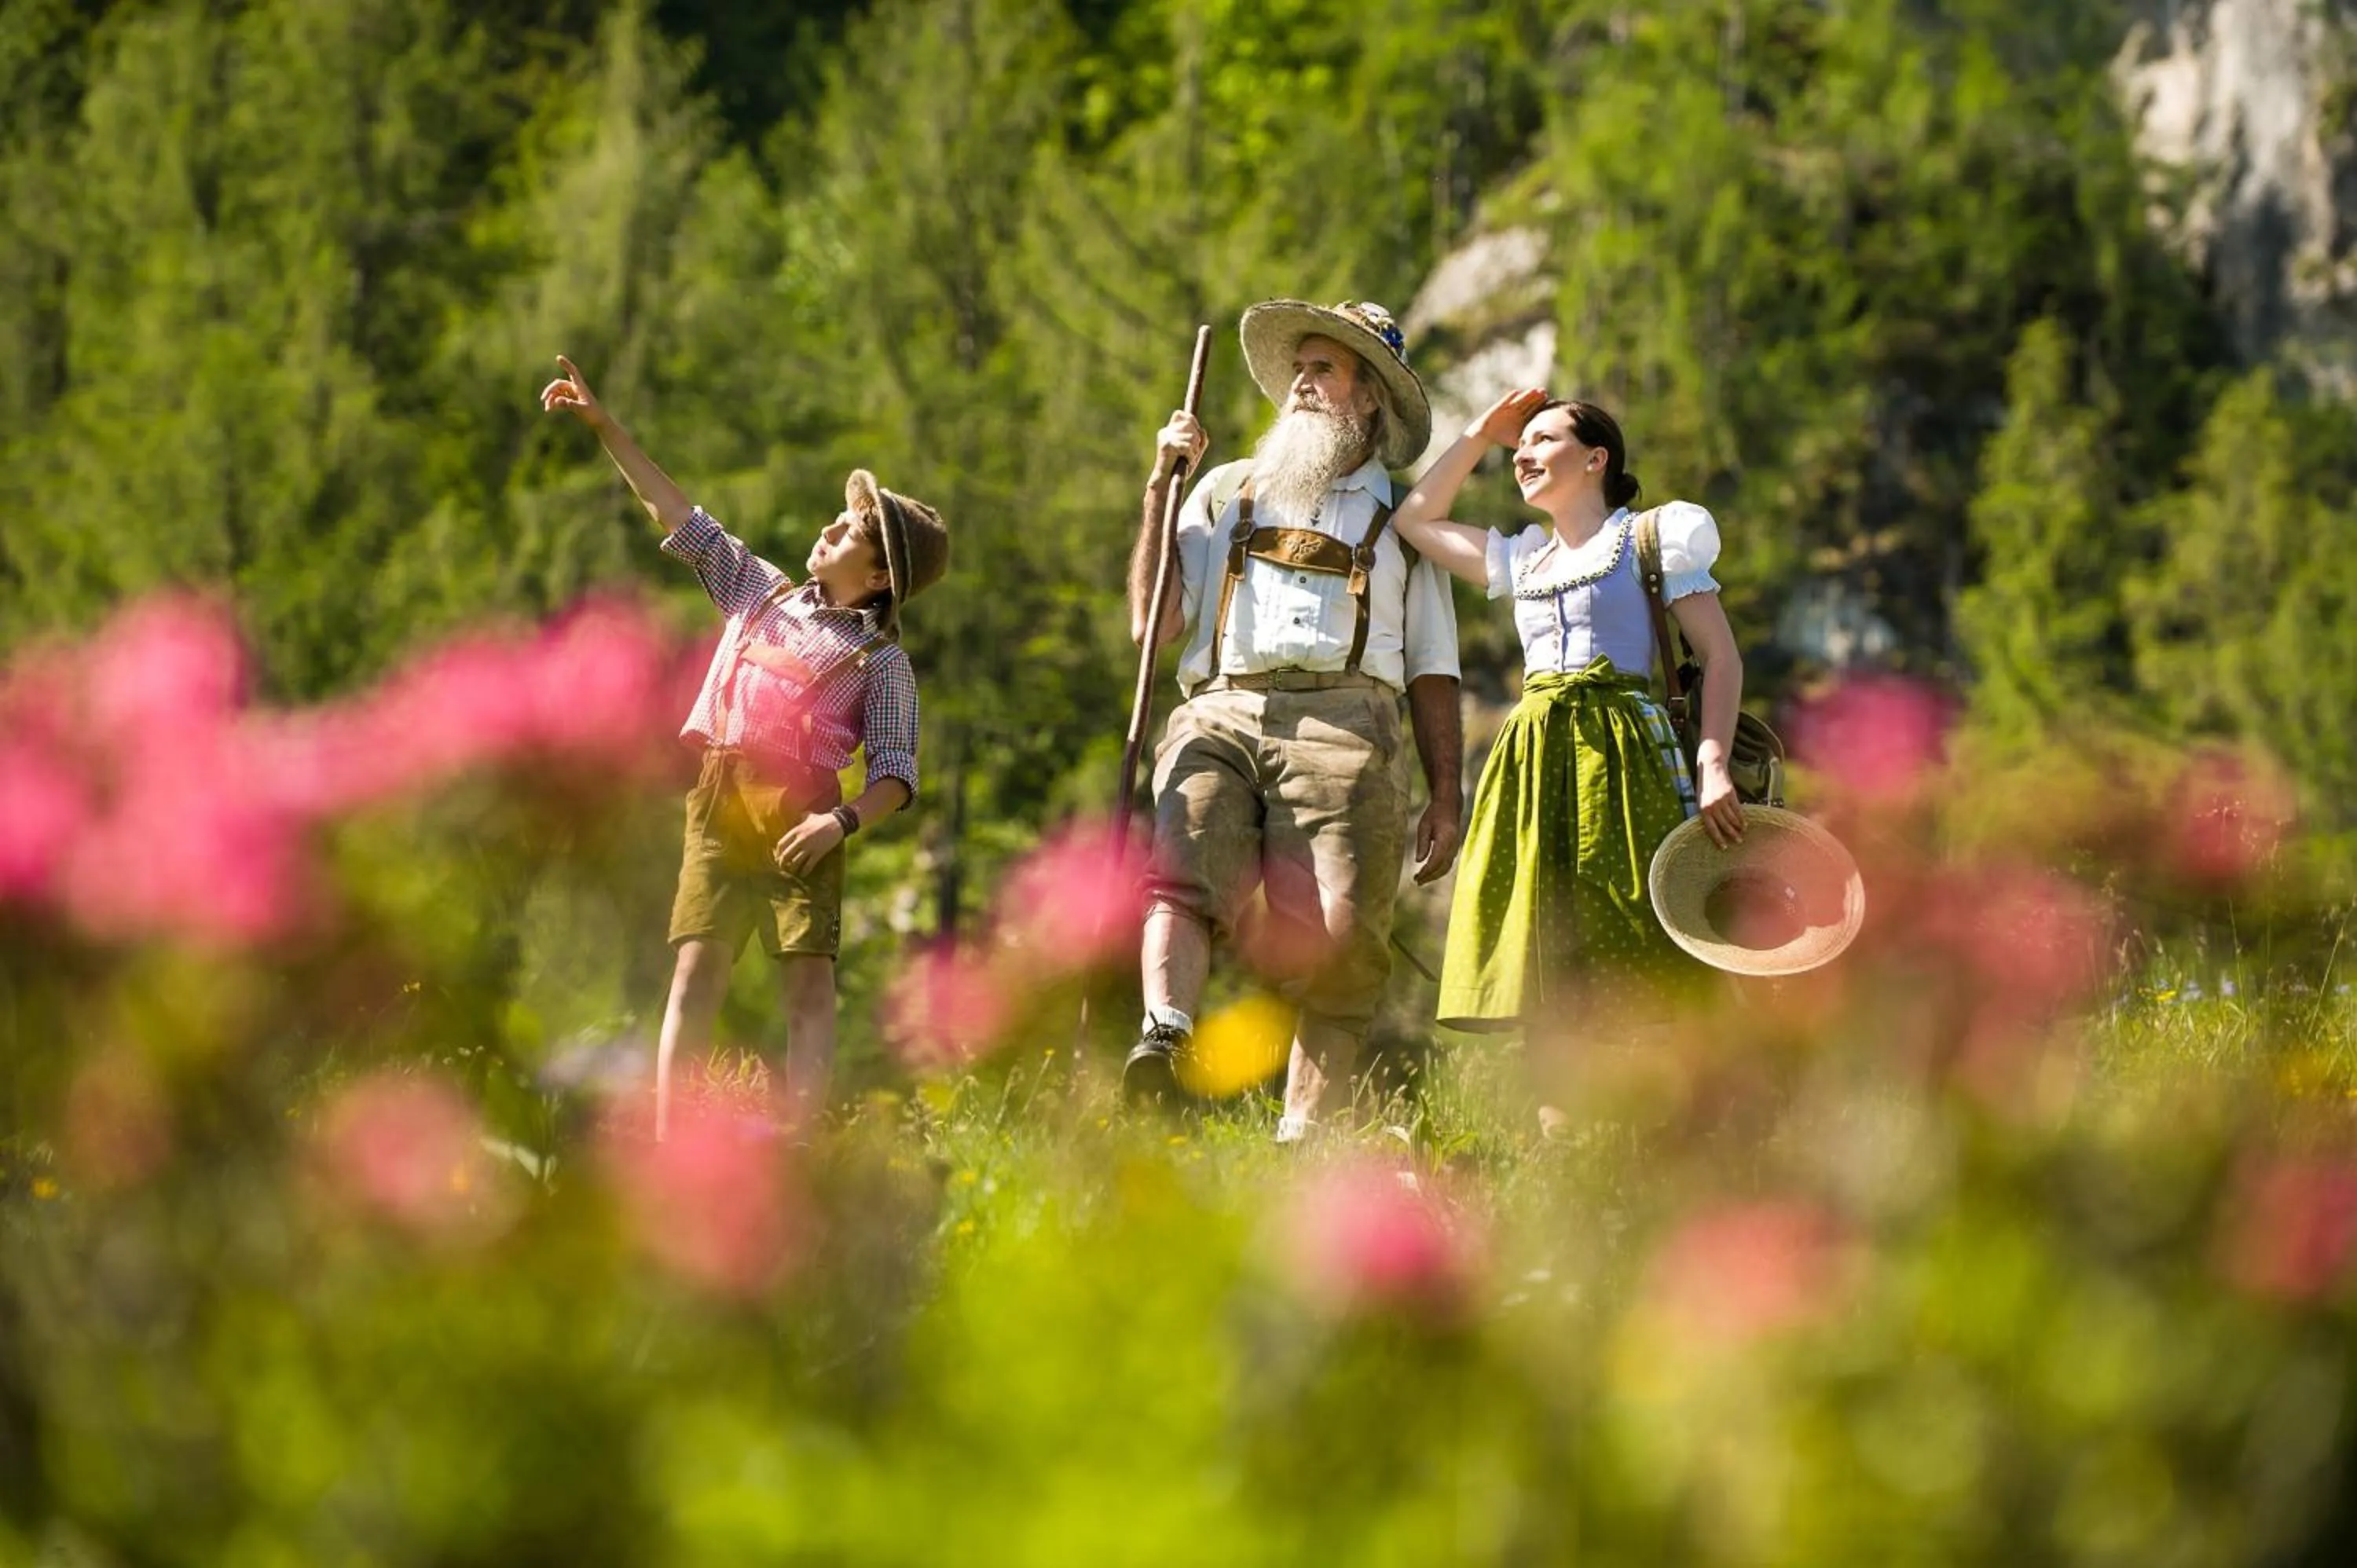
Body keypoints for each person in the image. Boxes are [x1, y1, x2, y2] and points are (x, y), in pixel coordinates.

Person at [540, 356, 948, 1136]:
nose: (827, 529)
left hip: (805, 820)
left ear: (878, 577)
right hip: (721, 800)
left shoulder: (882, 662)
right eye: (836, 519)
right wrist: (603, 426)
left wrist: (839, 823)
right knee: (696, 968)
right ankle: (670, 1137)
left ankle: (804, 1141)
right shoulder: (758, 592)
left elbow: (896, 774)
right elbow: (678, 517)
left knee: (808, 986)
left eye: (848, 531)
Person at [1124, 301, 1464, 1141]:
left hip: (1351, 719)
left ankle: (1302, 1133)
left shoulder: (1405, 519)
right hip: (1221, 702)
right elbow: (1153, 626)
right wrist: (1159, 492)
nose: (1302, 385)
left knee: (1342, 935)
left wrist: (1446, 794)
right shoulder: (1221, 490)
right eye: (1299, 369)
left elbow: (1433, 667)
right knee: (1184, 864)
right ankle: (1164, 1038)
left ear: (1370, 396)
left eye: (1325, 370)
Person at [1388, 387, 1745, 1033]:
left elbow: (1721, 657)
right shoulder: (1524, 558)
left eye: (1544, 440)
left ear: (1595, 459)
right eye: (1520, 446)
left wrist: (1712, 762)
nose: (1522, 456)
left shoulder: (1651, 538)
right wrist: (1479, 434)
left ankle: (1647, 1082)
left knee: (1630, 916)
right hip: (1532, 757)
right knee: (1540, 927)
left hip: (1625, 753)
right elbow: (1415, 521)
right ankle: (1558, 1094)